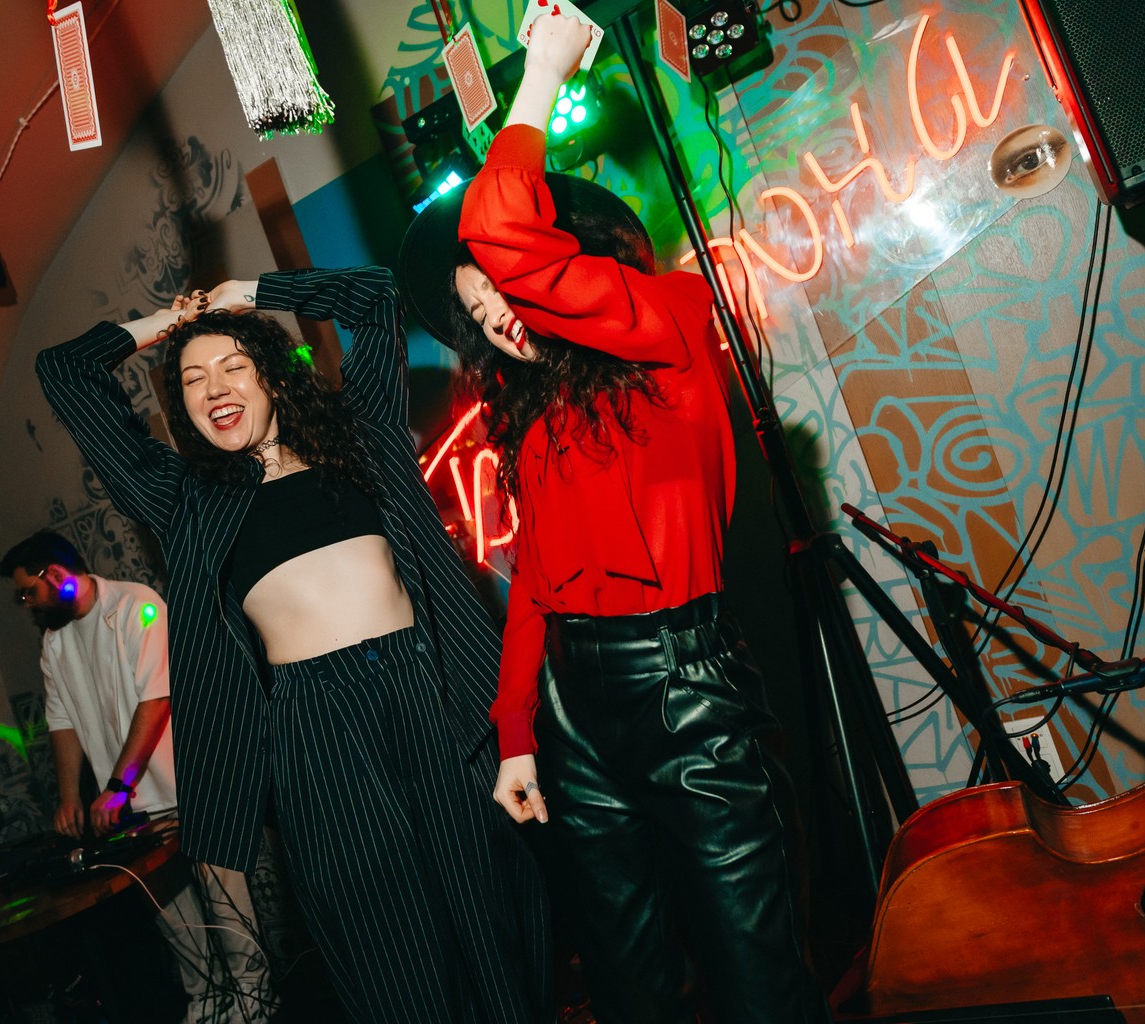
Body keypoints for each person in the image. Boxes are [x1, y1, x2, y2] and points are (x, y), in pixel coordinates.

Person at [396, 14, 829, 1024]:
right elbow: (538, 585)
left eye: (504, 290)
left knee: (759, 985)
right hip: (573, 709)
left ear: (571, 260)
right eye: (480, 313)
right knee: (628, 990)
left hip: (685, 691)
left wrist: (543, 69)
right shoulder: (535, 417)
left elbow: (502, 227)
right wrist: (516, 733)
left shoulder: (670, 320)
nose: (500, 318)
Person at [35, 267, 550, 1024]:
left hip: (424, 691)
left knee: (489, 917)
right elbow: (63, 370)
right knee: (390, 947)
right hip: (316, 726)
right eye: (192, 380)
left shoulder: (360, 440)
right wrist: (167, 327)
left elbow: (375, 299)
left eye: (234, 366)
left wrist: (247, 294)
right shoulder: (186, 500)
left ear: (273, 377)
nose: (215, 388)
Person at [0, 530, 274, 1024]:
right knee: (172, 914)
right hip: (130, 807)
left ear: (54, 575)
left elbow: (156, 699)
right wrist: (68, 797)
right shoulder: (54, 643)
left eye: (27, 593)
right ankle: (207, 999)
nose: (27, 605)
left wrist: (117, 786)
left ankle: (254, 996)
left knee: (224, 901)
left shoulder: (136, 606)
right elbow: (61, 722)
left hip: (188, 785)